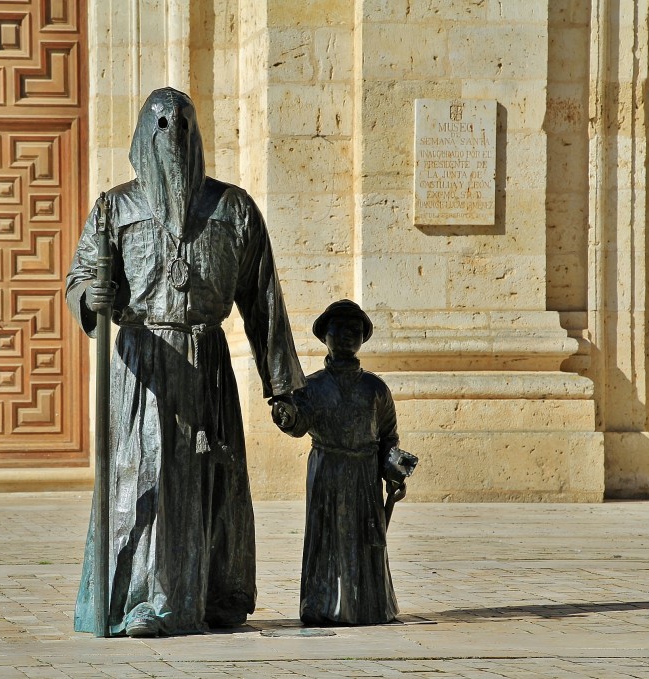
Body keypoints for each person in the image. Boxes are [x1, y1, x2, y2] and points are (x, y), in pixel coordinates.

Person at [66, 87, 305, 637]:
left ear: (196, 135)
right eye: (159, 123)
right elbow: (80, 277)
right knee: (143, 476)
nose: (170, 133)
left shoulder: (233, 208)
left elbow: (263, 300)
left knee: (211, 474)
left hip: (207, 361)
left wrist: (283, 389)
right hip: (143, 366)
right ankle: (143, 600)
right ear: (141, 136)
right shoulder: (114, 207)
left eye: (181, 123)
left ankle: (217, 592)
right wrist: (89, 297)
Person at [272, 299, 415, 625]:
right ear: (326, 335)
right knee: (327, 538)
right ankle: (323, 605)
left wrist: (396, 474)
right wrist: (286, 414)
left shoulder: (375, 388)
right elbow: (298, 423)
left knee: (365, 540)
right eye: (339, 328)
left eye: (355, 329)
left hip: (364, 474)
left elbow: (389, 437)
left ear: (363, 337)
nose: (347, 335)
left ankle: (367, 605)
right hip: (327, 470)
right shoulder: (310, 386)